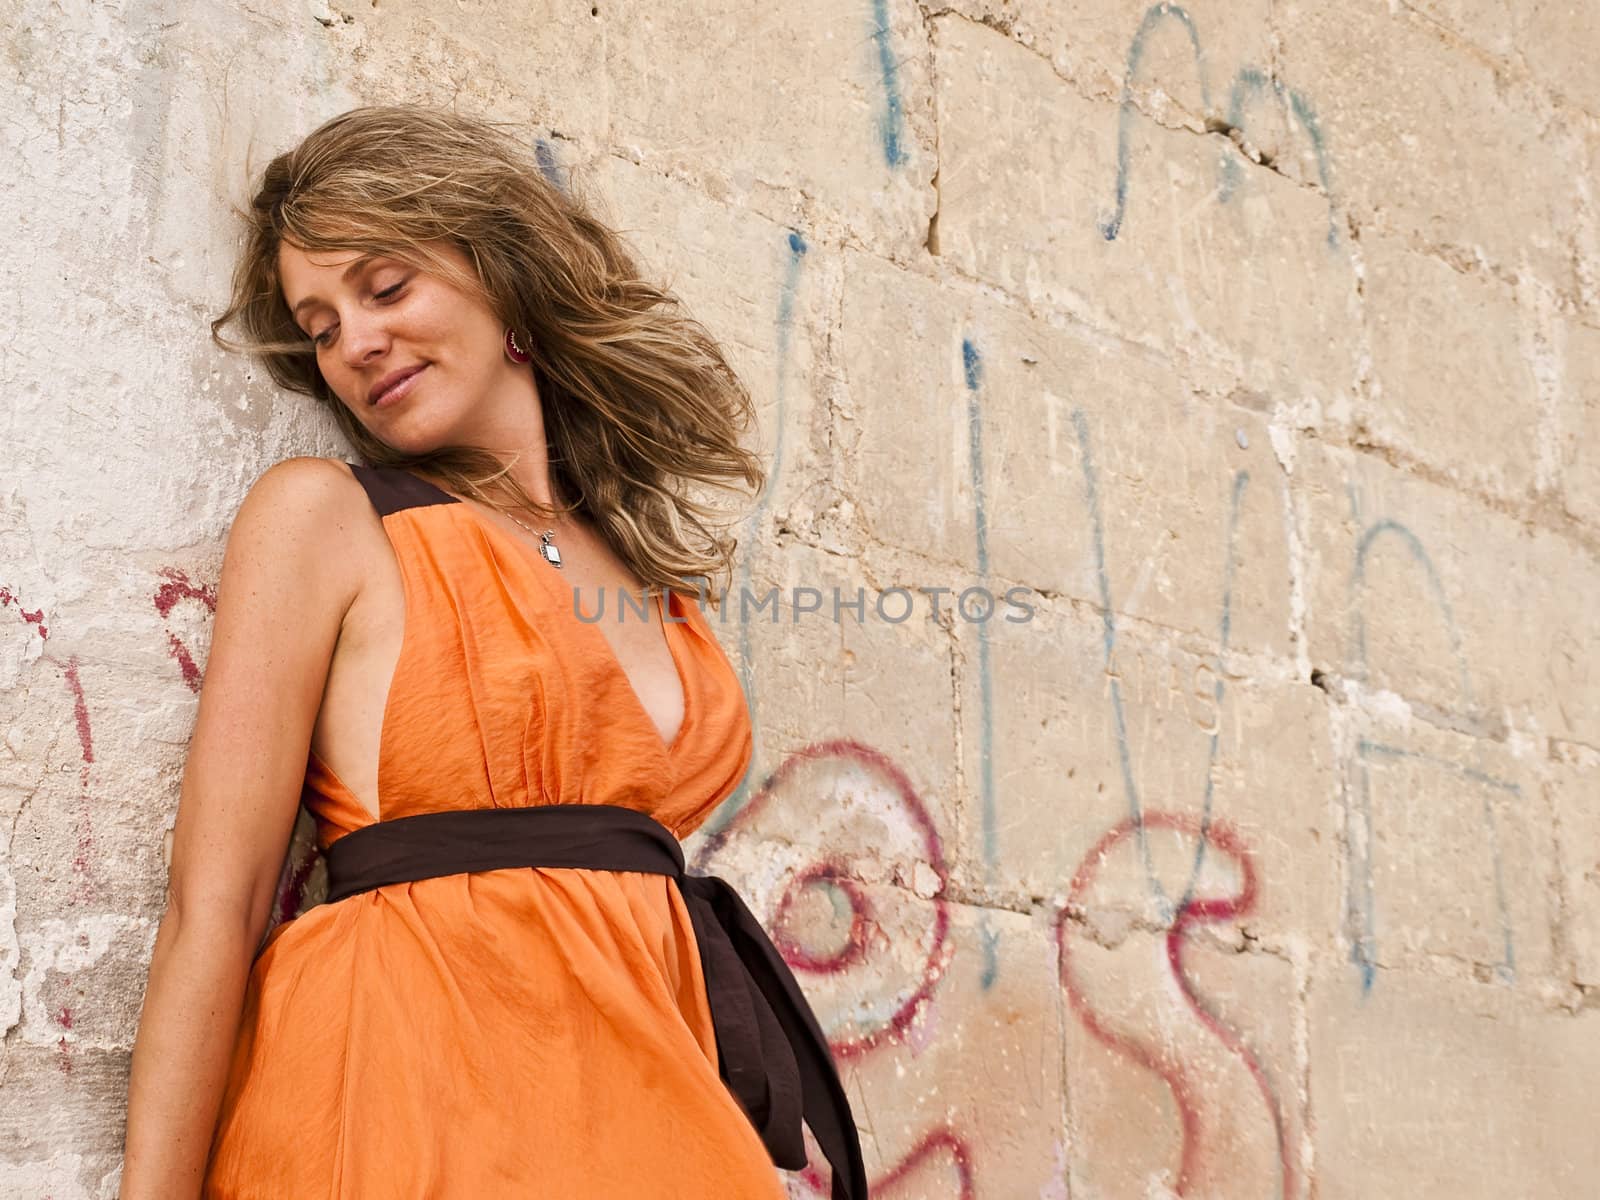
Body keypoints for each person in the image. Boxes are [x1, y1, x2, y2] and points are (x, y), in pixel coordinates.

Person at [120, 104, 865, 1199]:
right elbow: (211, 909)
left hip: (655, 1120)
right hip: (413, 1112)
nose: (356, 344)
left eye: (385, 286)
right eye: (320, 326)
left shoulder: (646, 573)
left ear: (503, 273)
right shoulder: (325, 519)